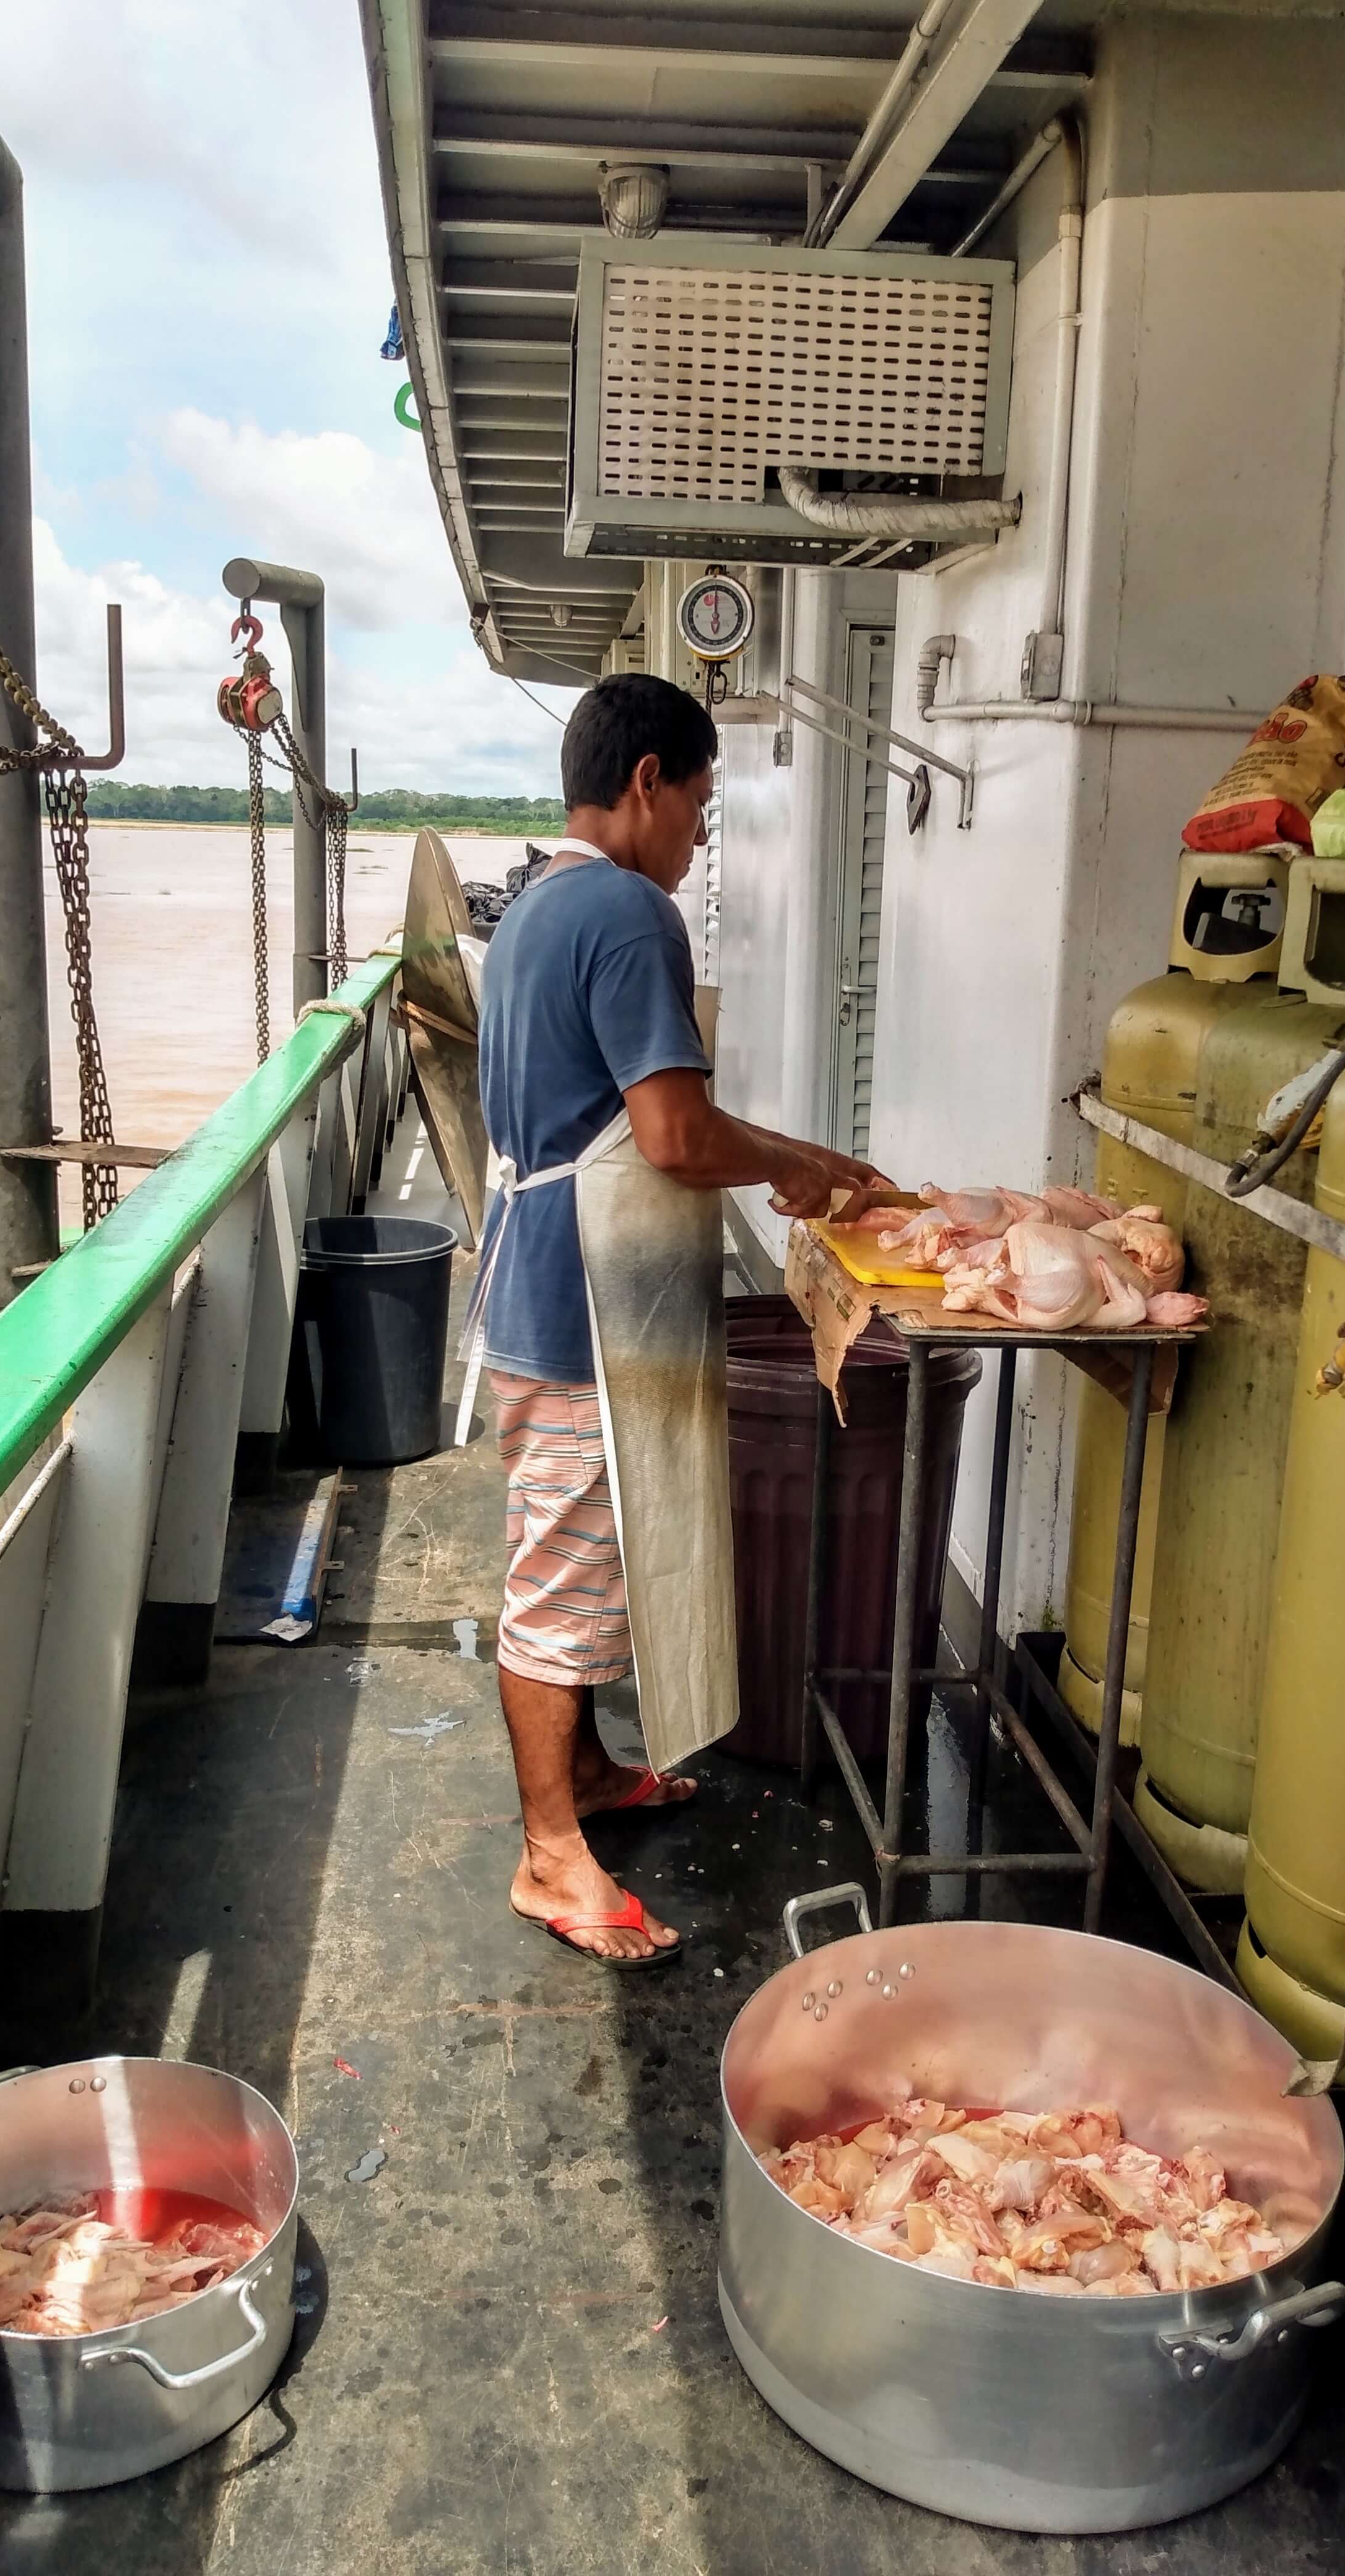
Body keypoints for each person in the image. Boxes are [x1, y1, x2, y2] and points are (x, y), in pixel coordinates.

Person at [476, 672, 887, 1965]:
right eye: (701, 801)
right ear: (647, 782)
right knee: (558, 1581)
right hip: (576, 1302)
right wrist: (801, 1160)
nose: (703, 833)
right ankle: (550, 1855)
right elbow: (675, 1132)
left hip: (528, 1278)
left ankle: (587, 1776)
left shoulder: (537, 901)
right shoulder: (631, 915)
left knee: (582, 1555)